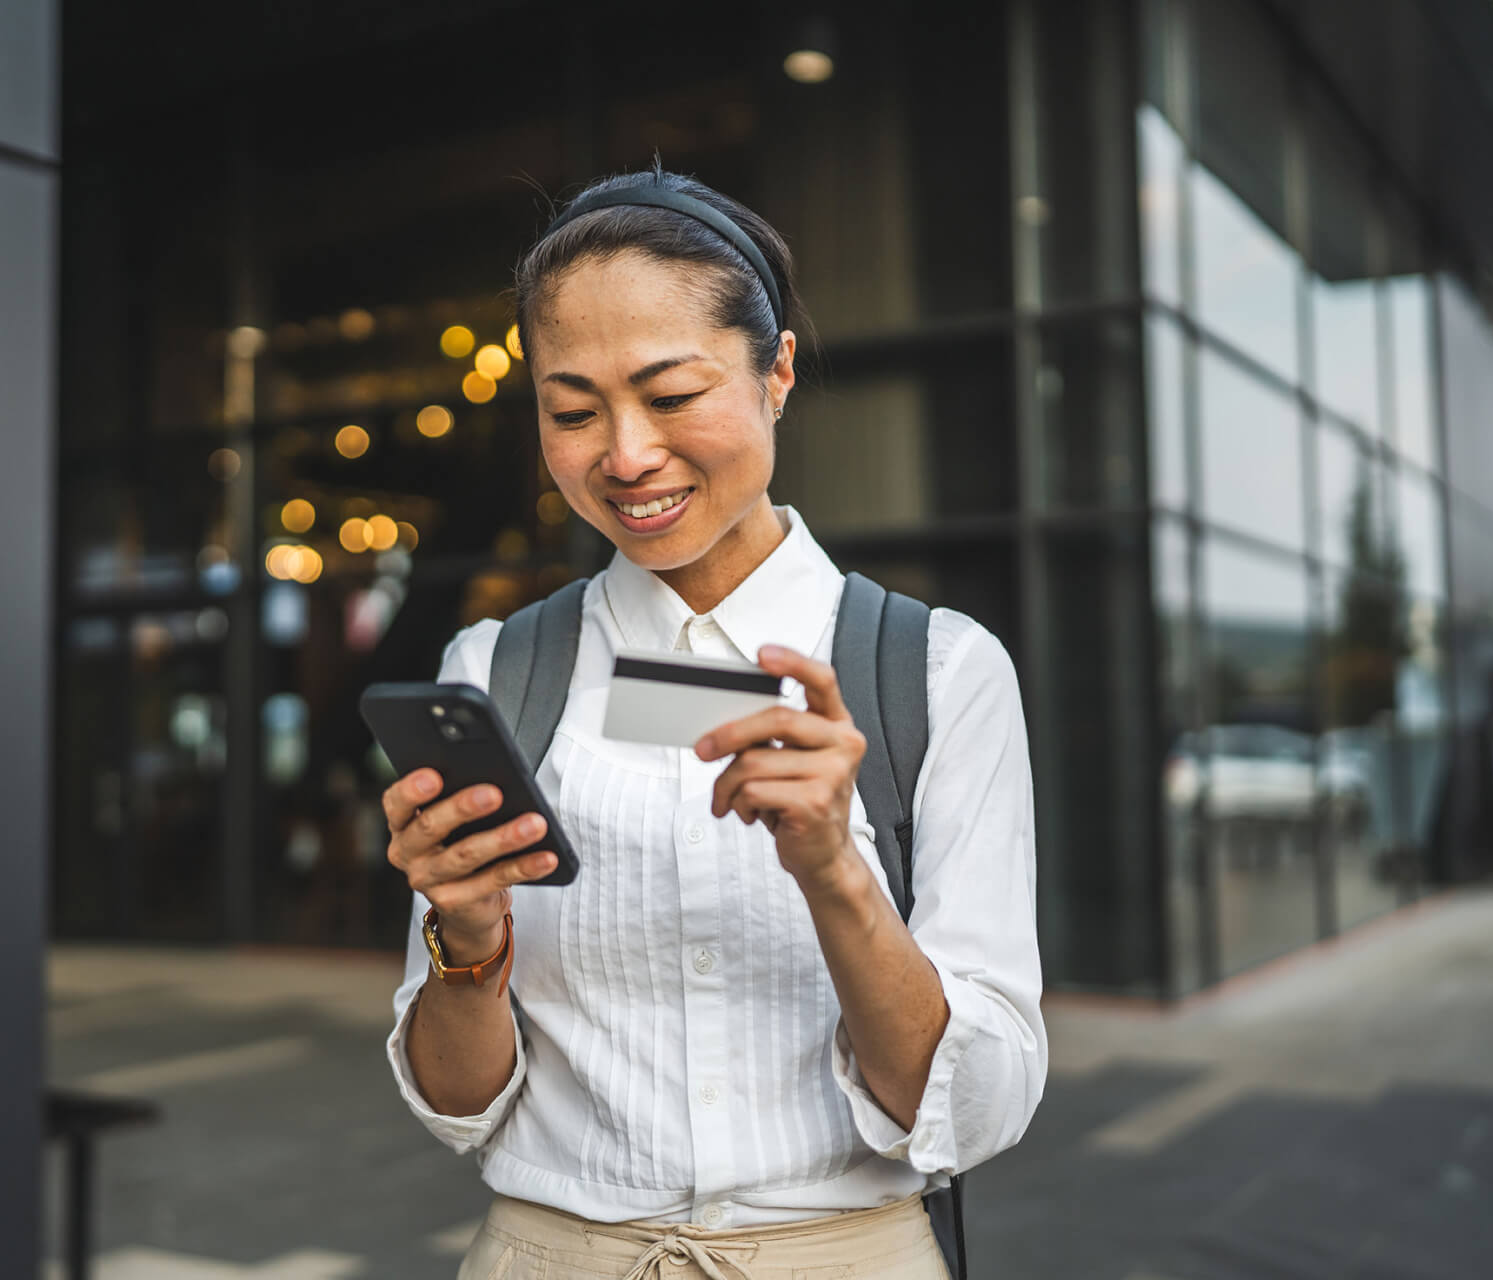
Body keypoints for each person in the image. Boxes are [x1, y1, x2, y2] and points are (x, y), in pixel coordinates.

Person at [382, 167, 1045, 1280]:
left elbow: (971, 1108)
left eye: (672, 393)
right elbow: (457, 1103)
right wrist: (468, 943)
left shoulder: (937, 672)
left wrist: (836, 869)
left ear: (776, 371)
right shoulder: (496, 670)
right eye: (573, 410)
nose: (626, 454)